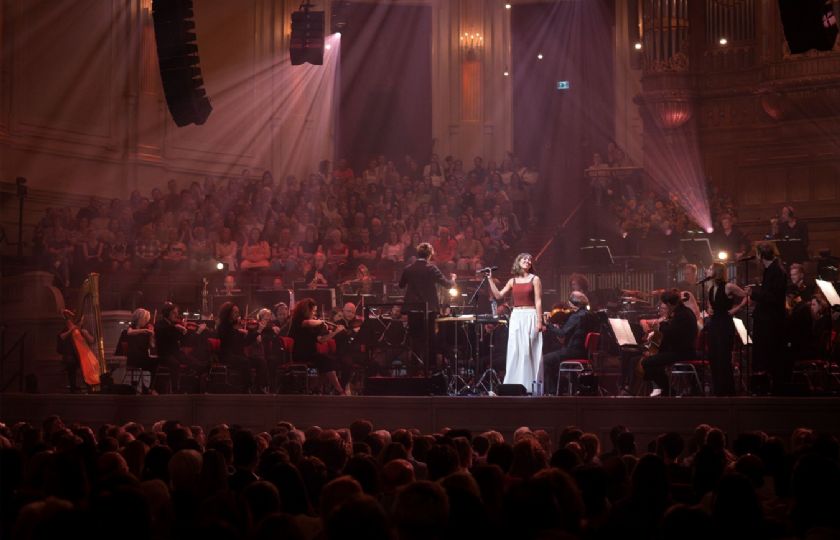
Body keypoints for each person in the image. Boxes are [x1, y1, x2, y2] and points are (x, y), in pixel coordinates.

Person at [488, 253, 545, 395]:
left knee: (528, 351)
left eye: (529, 260)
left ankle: (530, 386)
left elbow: (538, 301)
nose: (527, 261)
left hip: (530, 314)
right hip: (516, 316)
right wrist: (490, 280)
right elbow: (499, 295)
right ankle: (511, 386)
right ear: (518, 262)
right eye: (524, 259)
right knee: (515, 351)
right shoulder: (512, 281)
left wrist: (539, 321)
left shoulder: (535, 279)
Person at [398, 242, 457, 366]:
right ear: (430, 255)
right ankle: (430, 368)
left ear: (418, 253)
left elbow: (401, 285)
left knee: (414, 339)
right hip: (428, 310)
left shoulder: (409, 268)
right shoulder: (431, 269)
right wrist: (453, 279)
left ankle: (414, 369)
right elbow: (447, 284)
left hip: (413, 309)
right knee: (430, 339)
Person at [747, 243, 788, 393]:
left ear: (760, 255)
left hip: (771, 322)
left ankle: (770, 387)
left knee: (769, 354)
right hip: (768, 320)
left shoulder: (775, 271)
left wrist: (754, 293)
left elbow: (773, 297)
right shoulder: (771, 269)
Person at [641, 290, 698, 396]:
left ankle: (668, 390)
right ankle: (666, 390)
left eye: (665, 305)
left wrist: (661, 326)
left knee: (647, 363)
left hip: (683, 352)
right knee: (653, 363)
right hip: (680, 350)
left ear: (669, 304)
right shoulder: (683, 312)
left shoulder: (682, 315)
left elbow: (669, 334)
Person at [703, 263, 748, 396]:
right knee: (714, 357)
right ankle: (717, 391)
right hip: (714, 324)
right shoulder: (710, 288)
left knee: (723, 357)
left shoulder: (728, 286)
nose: (707, 270)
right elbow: (711, 305)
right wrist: (709, 309)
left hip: (724, 324)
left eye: (710, 268)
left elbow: (746, 295)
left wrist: (736, 308)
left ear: (716, 271)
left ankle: (728, 392)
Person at [288, 298, 347, 395]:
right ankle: (339, 390)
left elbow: (322, 339)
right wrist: (322, 321)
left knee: (327, 364)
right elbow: (307, 323)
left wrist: (335, 332)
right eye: (313, 311)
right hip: (299, 354)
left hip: (311, 354)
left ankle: (313, 388)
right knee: (324, 362)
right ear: (307, 310)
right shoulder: (297, 320)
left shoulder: (313, 324)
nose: (314, 313)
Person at [542, 292, 594, 395]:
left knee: (545, 360)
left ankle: (551, 392)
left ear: (572, 303)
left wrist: (549, 325)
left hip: (573, 351)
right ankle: (562, 389)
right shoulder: (589, 315)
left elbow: (562, 333)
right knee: (554, 359)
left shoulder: (576, 316)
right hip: (584, 352)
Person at [125, 308, 157, 394]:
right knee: (154, 364)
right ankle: (147, 388)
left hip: (143, 357)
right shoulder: (132, 327)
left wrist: (152, 335)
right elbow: (129, 333)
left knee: (157, 363)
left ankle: (150, 388)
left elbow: (152, 345)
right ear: (140, 318)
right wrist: (145, 330)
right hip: (134, 358)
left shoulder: (147, 330)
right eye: (145, 318)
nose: (147, 321)